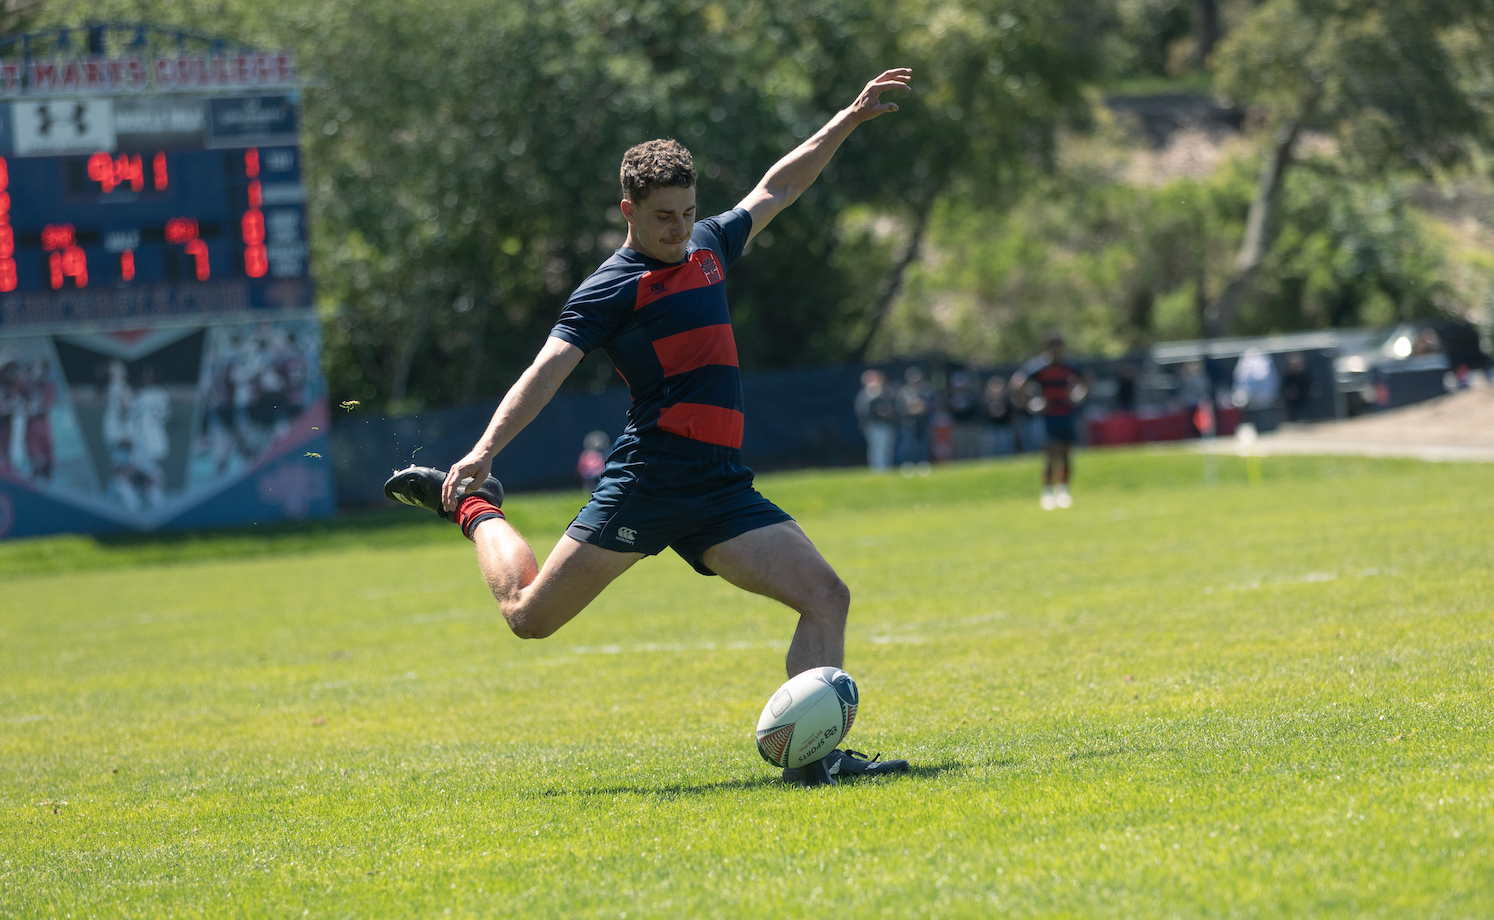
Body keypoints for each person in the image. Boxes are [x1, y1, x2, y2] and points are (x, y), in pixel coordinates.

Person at [382, 70, 915, 787]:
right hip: (650, 480)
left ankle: (813, 762)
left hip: (720, 488)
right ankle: (472, 508)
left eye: (688, 211)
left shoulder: (707, 247)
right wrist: (480, 456)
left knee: (827, 595)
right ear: (627, 210)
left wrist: (845, 121)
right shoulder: (609, 289)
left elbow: (777, 188)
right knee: (528, 617)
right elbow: (546, 372)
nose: (679, 227)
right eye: (664, 215)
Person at [1012, 333, 1086, 510]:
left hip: (1066, 414)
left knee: (1066, 453)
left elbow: (1086, 381)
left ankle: (1064, 490)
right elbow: (1018, 383)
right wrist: (1030, 404)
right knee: (1050, 453)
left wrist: (1078, 397)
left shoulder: (1069, 367)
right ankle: (1047, 492)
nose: (1056, 350)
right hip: (1049, 416)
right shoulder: (1039, 368)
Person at [853, 369, 896, 471]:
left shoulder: (886, 392)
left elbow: (893, 407)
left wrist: (886, 412)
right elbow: (862, 411)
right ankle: (877, 469)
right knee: (875, 449)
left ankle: (886, 468)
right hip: (873, 425)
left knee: (887, 448)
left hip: (887, 424)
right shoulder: (864, 394)